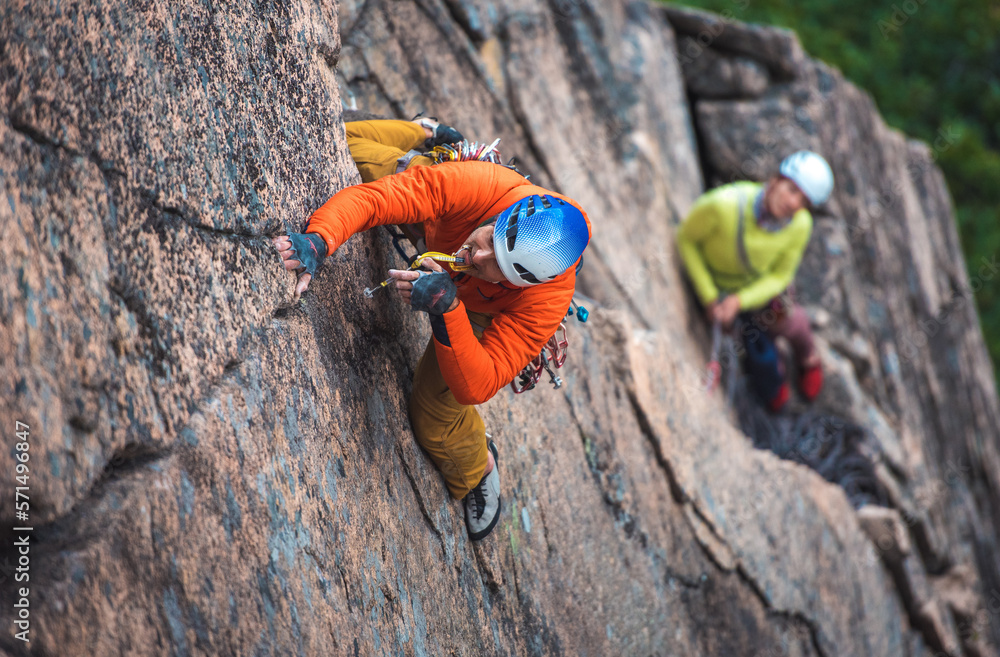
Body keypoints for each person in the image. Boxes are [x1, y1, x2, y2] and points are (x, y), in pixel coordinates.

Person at [272, 118, 592, 541]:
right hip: (443, 217)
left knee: (434, 415)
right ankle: (425, 133)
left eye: (496, 265)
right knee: (346, 144)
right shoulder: (479, 186)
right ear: (501, 216)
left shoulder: (544, 300)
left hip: (480, 310)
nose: (476, 257)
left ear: (524, 283)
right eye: (489, 239)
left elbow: (480, 383)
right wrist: (320, 240)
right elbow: (376, 201)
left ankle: (478, 467)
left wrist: (448, 308)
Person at [676, 151, 834, 412]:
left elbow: (781, 275)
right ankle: (774, 389)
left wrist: (740, 301)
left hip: (752, 293)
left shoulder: (800, 225)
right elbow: (686, 239)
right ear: (775, 180)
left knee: (792, 323)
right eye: (792, 189)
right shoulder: (723, 206)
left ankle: (809, 358)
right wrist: (709, 296)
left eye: (803, 201)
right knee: (758, 349)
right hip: (720, 288)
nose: (793, 203)